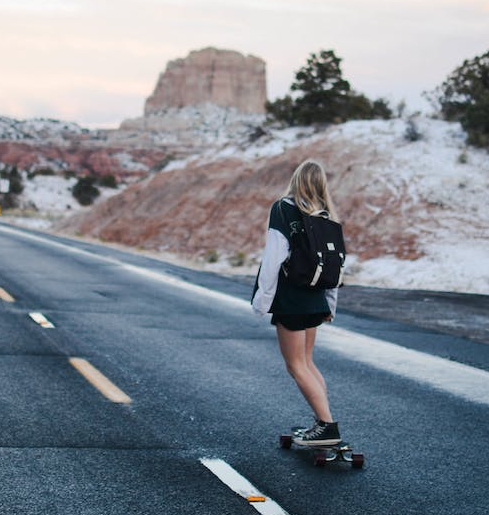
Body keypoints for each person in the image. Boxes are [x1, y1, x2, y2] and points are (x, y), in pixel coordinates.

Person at [252, 159, 342, 446]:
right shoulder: (325, 215)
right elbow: (336, 266)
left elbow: (273, 258)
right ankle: (321, 422)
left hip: (291, 299)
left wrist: (262, 300)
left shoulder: (282, 209)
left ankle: (327, 425)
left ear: (296, 180)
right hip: (316, 298)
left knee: (296, 366)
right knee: (307, 362)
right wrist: (330, 305)